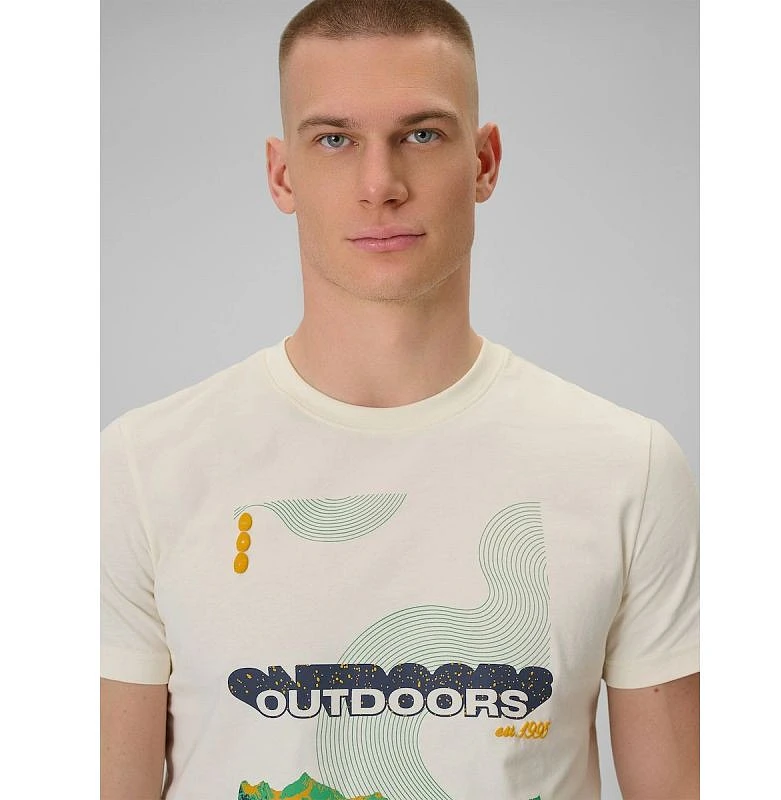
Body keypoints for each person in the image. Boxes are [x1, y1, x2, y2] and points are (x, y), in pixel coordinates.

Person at [100, 0, 699, 798]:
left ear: (484, 162)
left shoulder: (628, 467)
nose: (380, 184)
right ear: (282, 173)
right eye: (335, 139)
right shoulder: (143, 469)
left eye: (421, 135)